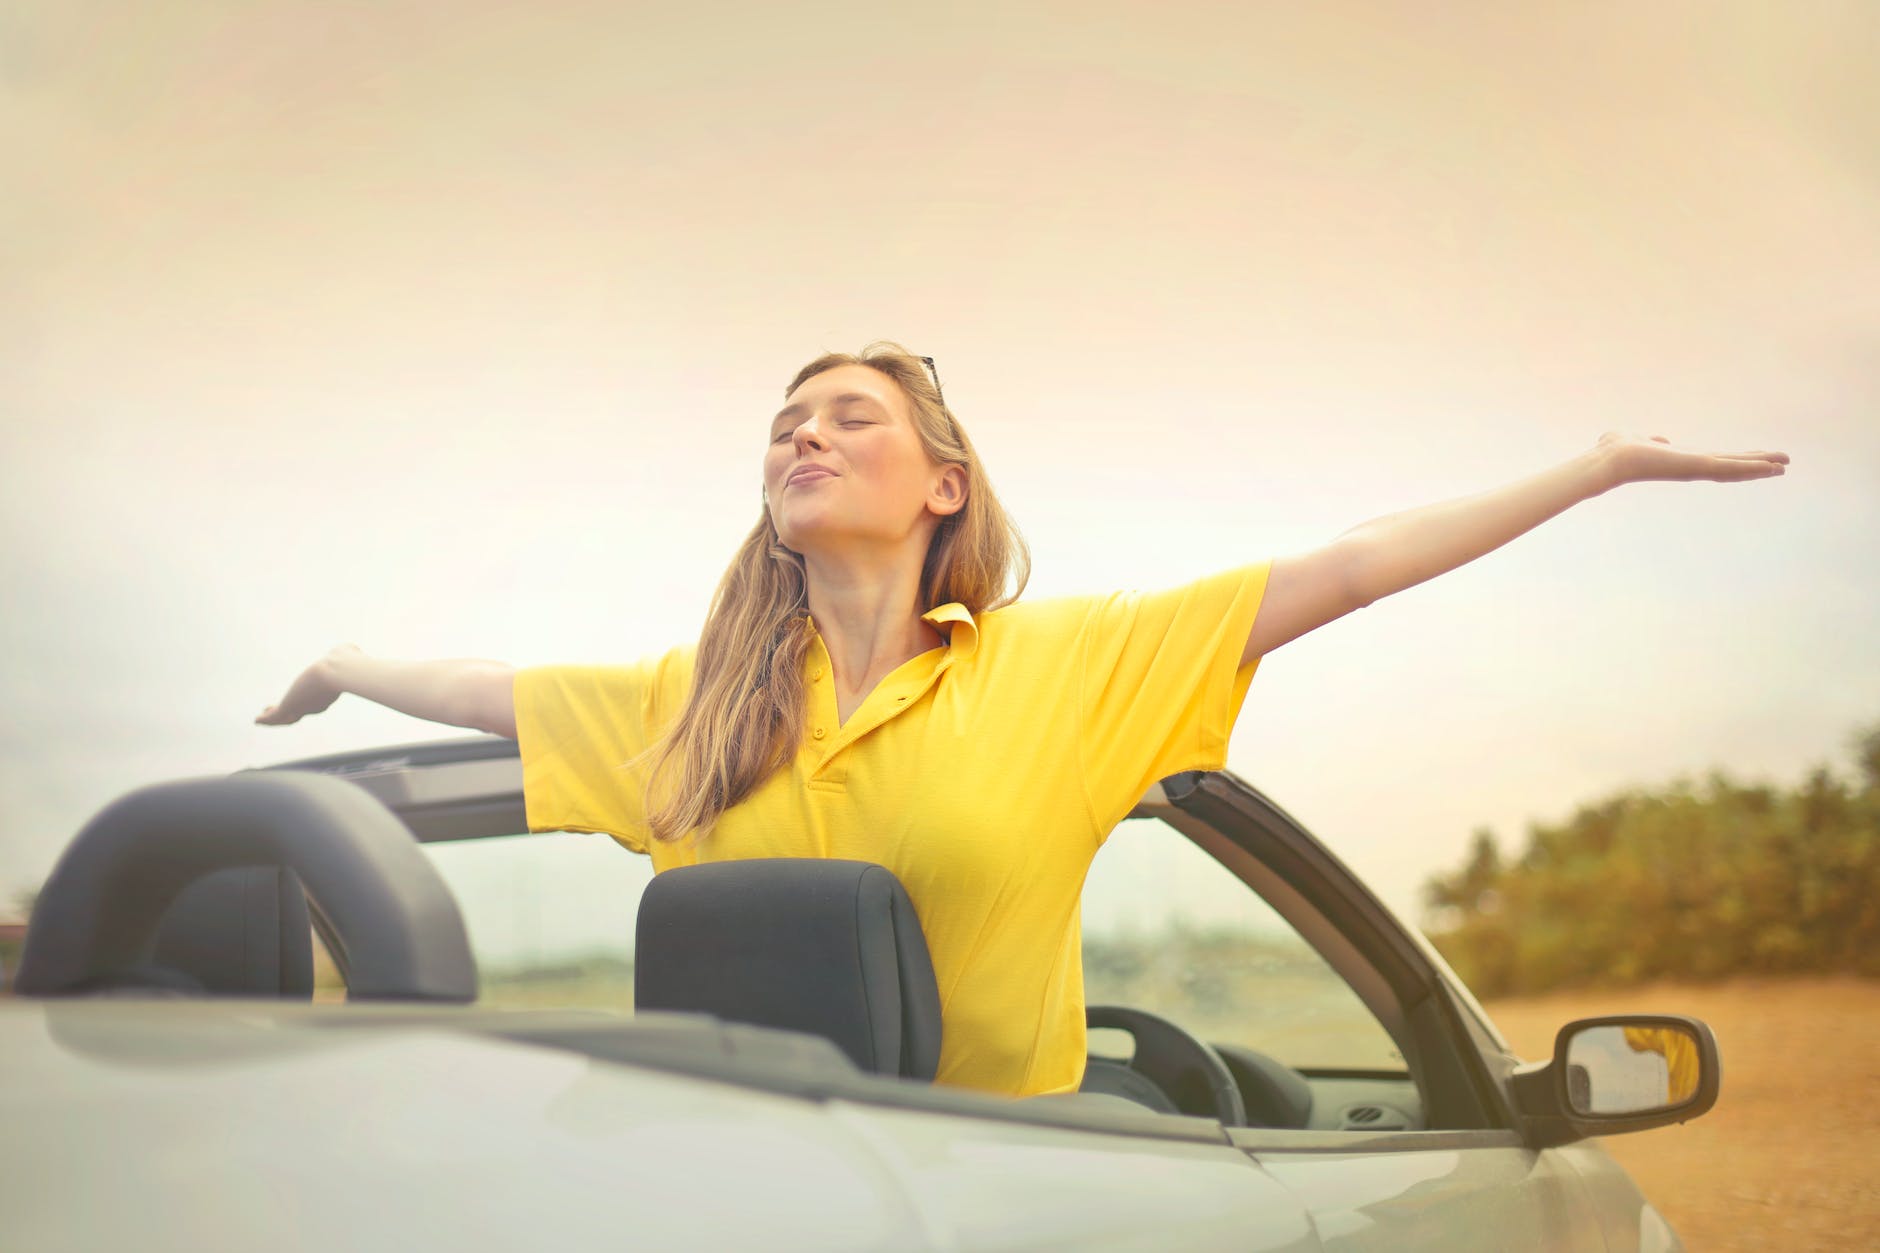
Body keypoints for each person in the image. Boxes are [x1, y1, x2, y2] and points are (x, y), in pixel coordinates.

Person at [257, 340, 1788, 1098]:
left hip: (1018, 1191)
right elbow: (484, 699)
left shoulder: (1063, 667)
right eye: (787, 422)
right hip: (736, 1185)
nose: (804, 430)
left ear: (945, 487)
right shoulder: (688, 705)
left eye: (850, 413)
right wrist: (347, 655)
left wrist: (1588, 468)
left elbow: (1350, 568)